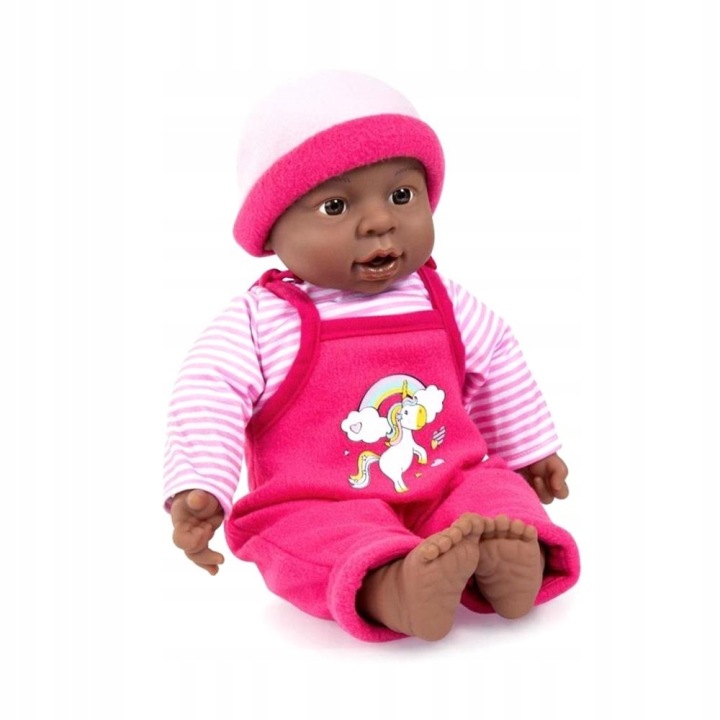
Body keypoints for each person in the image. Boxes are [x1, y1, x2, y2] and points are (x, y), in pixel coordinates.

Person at [163, 70, 580, 642]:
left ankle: (503, 555)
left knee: (493, 493)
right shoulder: (262, 320)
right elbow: (208, 389)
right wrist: (202, 483)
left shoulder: (443, 298)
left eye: (402, 196)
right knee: (300, 535)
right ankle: (392, 585)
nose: (381, 221)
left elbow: (498, 360)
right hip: (319, 499)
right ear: (273, 231)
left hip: (446, 480)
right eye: (335, 206)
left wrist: (528, 449)